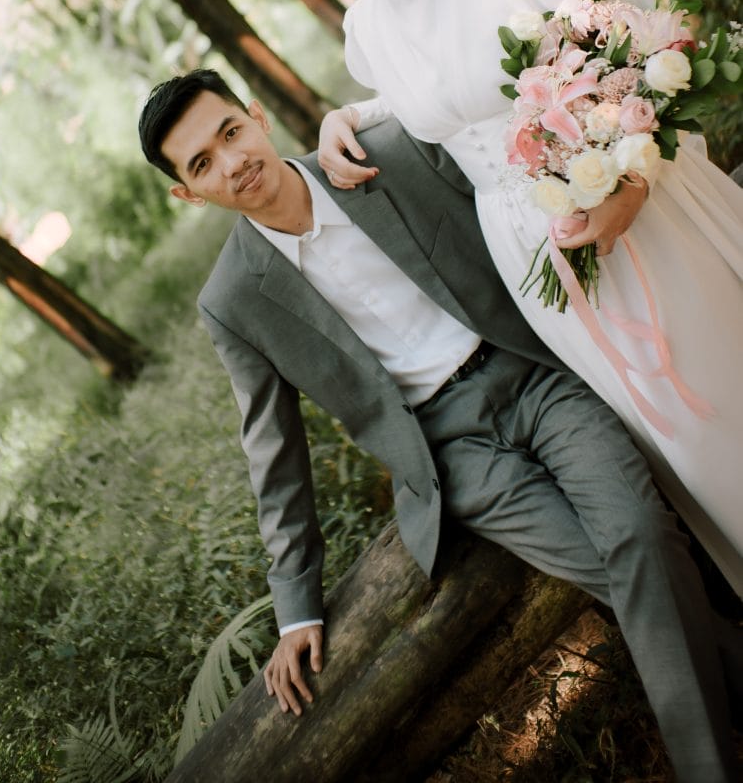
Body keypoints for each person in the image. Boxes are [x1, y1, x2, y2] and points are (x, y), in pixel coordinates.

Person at [138, 68, 742, 782]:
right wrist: (295, 606)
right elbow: (272, 449)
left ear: (258, 116)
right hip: (450, 452)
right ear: (188, 193)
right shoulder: (232, 299)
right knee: (612, 565)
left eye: (231, 132)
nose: (233, 161)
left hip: (531, 374)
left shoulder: (383, 156)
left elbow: (493, 160)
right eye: (202, 164)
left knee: (636, 534)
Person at [258, 0, 743, 600]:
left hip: (631, 200)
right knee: (674, 432)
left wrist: (630, 184)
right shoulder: (368, 31)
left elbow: (649, 41)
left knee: (719, 376)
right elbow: (433, 98)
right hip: (534, 257)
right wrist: (341, 117)